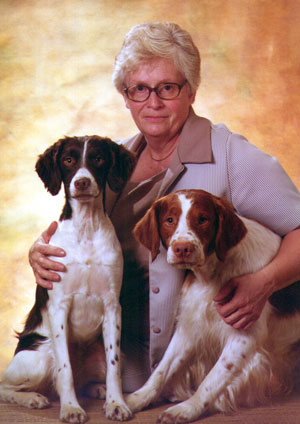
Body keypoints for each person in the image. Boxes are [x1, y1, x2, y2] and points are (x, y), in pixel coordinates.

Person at [29, 22, 300, 392]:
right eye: (139, 89)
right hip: (125, 368)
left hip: (198, 369)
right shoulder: (110, 162)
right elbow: (83, 242)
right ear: (125, 96)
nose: (152, 103)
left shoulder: (232, 157)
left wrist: (263, 284)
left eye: (167, 88)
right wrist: (42, 257)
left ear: (191, 91)